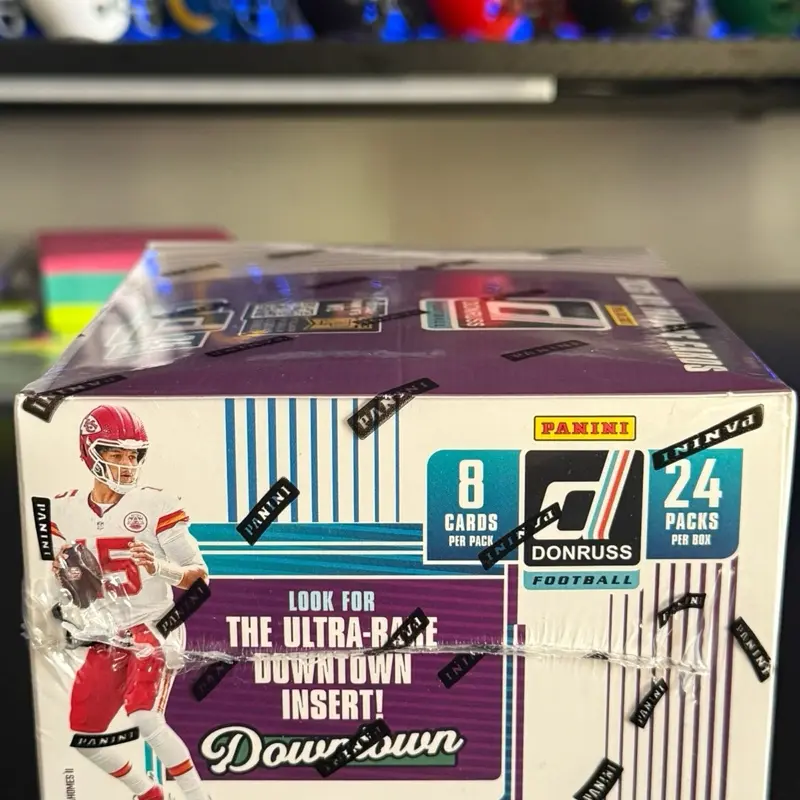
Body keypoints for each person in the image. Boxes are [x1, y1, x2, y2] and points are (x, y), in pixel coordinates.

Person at [50, 404, 209, 800]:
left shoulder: (156, 503)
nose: (127, 465)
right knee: (85, 735)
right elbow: (60, 576)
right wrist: (62, 581)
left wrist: (159, 567)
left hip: (154, 623)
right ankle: (148, 793)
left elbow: (199, 577)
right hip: (108, 633)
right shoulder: (61, 508)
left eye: (134, 455)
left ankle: (197, 796)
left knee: (143, 716)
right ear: (90, 451)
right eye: (116, 454)